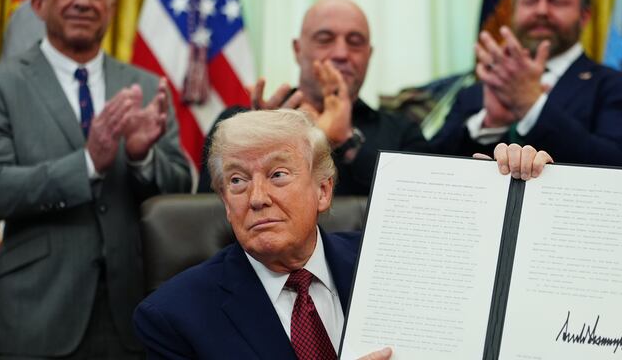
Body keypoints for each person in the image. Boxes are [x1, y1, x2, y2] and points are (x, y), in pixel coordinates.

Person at [134, 109, 552, 359]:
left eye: (278, 174)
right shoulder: (174, 316)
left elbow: (486, 271)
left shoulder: (391, 263)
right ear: (226, 202)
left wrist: (509, 186)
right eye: (238, 182)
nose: (256, 197)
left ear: (323, 190)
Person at [0, 0, 191, 358]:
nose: (83, 1)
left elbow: (182, 190)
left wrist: (141, 156)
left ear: (110, 6)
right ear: (39, 4)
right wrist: (88, 163)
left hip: (135, 315)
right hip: (35, 315)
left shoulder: (145, 86)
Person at [431, 0, 622, 167]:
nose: (542, 10)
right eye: (530, 0)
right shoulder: (478, 93)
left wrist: (532, 107)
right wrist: (489, 123)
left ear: (584, 16)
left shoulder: (621, 88)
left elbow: (621, 167)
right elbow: (428, 169)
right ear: (514, 11)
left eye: (557, 1)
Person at [197, 0, 430, 195]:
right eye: (325, 39)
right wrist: (262, 139)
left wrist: (347, 143)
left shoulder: (402, 133)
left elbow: (418, 210)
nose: (341, 53)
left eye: (355, 43)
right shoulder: (238, 125)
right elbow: (205, 212)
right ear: (298, 50)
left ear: (369, 55)